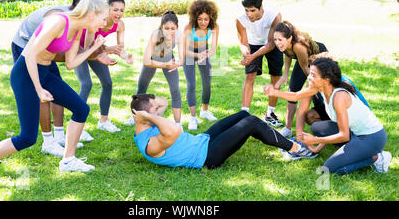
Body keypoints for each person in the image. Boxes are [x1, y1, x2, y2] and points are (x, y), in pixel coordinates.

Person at [0, 0, 110, 190]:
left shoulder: (77, 30)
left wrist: (94, 49)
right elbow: (30, 53)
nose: (104, 23)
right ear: (92, 14)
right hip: (26, 73)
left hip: (45, 72)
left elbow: (70, 64)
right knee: (27, 138)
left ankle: (68, 160)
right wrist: (39, 89)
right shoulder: (58, 21)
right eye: (103, 18)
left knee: (81, 109)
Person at [130, 94, 317, 170]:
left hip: (203, 141)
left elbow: (163, 102)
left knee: (242, 115)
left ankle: (281, 143)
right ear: (146, 116)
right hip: (207, 157)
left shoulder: (149, 123)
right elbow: (174, 130)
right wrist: (149, 115)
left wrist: (148, 110)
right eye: (154, 110)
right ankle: (295, 148)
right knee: (251, 122)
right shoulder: (150, 146)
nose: (158, 110)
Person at [10, 0, 91, 156]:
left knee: (59, 94)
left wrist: (96, 51)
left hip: (45, 56)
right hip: (24, 45)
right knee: (42, 96)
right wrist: (38, 87)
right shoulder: (57, 18)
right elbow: (35, 52)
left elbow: (67, 57)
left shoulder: (76, 25)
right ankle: (48, 141)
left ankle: (60, 136)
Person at [298, 57, 391, 174]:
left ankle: (378, 158)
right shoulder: (324, 90)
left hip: (372, 137)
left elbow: (344, 135)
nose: (308, 78)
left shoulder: (339, 97)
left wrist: (315, 140)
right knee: (317, 127)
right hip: (354, 133)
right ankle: (356, 150)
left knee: (329, 169)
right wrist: (317, 148)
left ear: (326, 80)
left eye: (313, 75)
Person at [264, 52, 371, 129]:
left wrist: (316, 143)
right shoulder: (315, 84)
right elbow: (296, 97)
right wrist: (300, 135)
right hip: (337, 115)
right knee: (311, 118)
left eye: (314, 73)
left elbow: (348, 115)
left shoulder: (341, 89)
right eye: (310, 71)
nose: (309, 77)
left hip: (356, 121)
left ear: (326, 74)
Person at [74, 0, 133, 133]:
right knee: (86, 84)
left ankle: (104, 121)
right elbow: (88, 47)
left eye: (122, 10)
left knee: (107, 83)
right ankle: (78, 126)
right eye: (115, 9)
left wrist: (126, 56)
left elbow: (119, 47)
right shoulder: (98, 20)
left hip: (96, 50)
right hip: (80, 49)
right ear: (108, 9)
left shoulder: (120, 25)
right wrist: (108, 49)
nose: (119, 13)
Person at [126, 11, 184, 127]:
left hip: (168, 59)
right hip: (152, 60)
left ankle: (178, 124)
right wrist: (164, 65)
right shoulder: (155, 34)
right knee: (142, 87)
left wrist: (177, 63)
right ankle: (135, 117)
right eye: (166, 28)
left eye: (173, 28)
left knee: (175, 90)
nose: (170, 32)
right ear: (161, 27)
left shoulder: (180, 35)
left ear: (177, 28)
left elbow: (182, 59)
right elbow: (146, 61)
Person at [236, 0, 284, 128]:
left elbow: (271, 43)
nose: (249, 14)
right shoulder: (240, 19)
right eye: (246, 10)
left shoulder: (274, 16)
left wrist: (254, 56)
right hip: (252, 44)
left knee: (276, 77)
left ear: (260, 7)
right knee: (250, 76)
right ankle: (244, 114)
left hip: (272, 44)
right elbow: (243, 42)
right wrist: (246, 53)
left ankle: (270, 114)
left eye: (252, 10)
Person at [273, 20, 328, 137]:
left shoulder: (298, 46)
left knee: (316, 92)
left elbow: (305, 68)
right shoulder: (285, 45)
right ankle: (287, 128)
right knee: (292, 89)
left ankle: (327, 120)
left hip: (319, 57)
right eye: (275, 40)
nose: (277, 43)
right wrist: (285, 74)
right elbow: (288, 55)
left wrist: (312, 85)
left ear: (289, 38)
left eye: (280, 40)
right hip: (304, 61)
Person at [183, 0, 220, 130]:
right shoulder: (188, 27)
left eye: (206, 19)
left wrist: (205, 54)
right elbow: (185, 50)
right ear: (195, 17)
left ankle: (204, 111)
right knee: (191, 84)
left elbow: (213, 49)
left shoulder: (215, 27)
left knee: (207, 83)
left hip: (203, 53)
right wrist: (198, 56)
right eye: (200, 19)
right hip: (189, 54)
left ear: (211, 17)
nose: (203, 22)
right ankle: (193, 118)